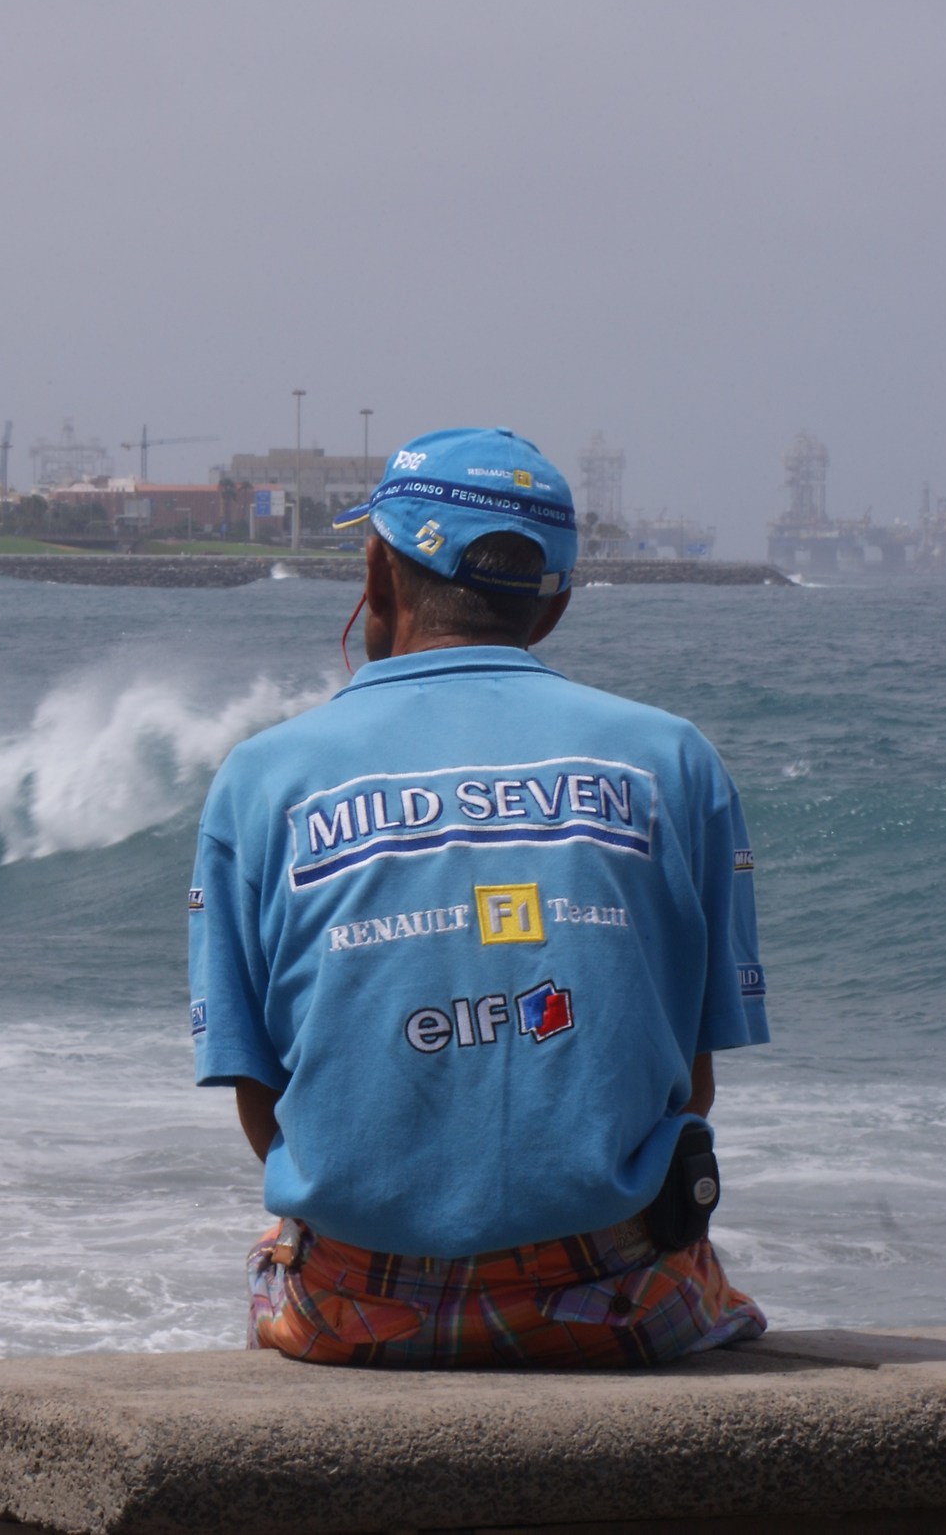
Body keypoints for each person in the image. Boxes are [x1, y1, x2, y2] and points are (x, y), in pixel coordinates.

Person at [187, 427, 769, 1367]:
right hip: (619, 1297)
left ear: (378, 572)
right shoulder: (673, 758)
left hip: (355, 1306)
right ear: (555, 603)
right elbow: (690, 1077)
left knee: (270, 1254)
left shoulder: (261, 777)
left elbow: (262, 1101)